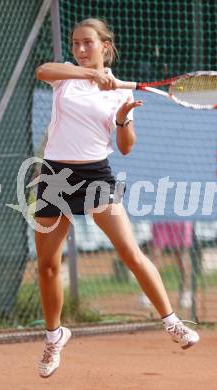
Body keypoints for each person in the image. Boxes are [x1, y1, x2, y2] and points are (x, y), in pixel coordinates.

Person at [34, 17, 200, 379]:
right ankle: (54, 335)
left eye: (88, 43)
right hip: (55, 175)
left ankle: (171, 321)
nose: (80, 49)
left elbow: (125, 148)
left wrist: (124, 118)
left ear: (104, 46)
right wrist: (90, 75)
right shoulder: (67, 74)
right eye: (76, 43)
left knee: (130, 252)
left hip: (95, 175)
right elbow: (42, 70)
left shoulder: (120, 90)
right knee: (47, 267)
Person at [140, 221, 194, 310]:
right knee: (155, 255)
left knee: (183, 256)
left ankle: (185, 293)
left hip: (182, 217)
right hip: (161, 216)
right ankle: (148, 293)